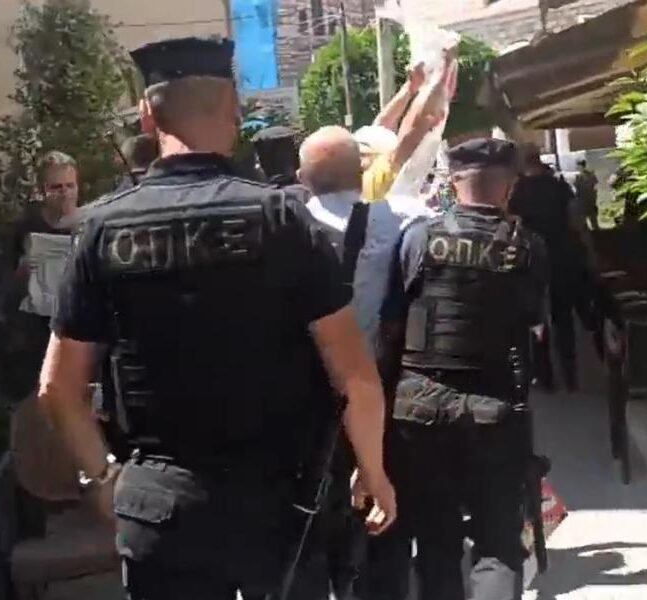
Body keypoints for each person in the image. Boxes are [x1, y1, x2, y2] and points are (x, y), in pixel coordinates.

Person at [36, 37, 396, 600]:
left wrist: (102, 478)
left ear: (147, 115)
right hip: (280, 508)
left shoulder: (102, 231)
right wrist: (372, 471)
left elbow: (58, 390)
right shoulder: (280, 218)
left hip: (160, 507)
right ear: (234, 109)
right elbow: (357, 379)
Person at [368, 138, 549, 600]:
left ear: (452, 182)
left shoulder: (419, 238)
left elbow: (390, 329)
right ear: (510, 187)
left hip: (419, 411)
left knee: (435, 543)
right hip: (494, 411)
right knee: (498, 546)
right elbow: (532, 327)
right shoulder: (527, 247)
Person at [286, 125, 375, 599]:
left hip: (306, 397)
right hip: (380, 390)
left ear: (303, 178)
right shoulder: (402, 222)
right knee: (375, 516)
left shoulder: (283, 230)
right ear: (361, 173)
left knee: (313, 516)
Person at [509, 146, 585, 392]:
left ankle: (544, 376)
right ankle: (570, 373)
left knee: (536, 318)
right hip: (562, 256)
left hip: (531, 260)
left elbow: (511, 225)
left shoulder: (518, 190)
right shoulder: (559, 186)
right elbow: (576, 220)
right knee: (564, 317)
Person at [5, 150, 79, 397]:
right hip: (37, 329)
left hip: (78, 326)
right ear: (42, 190)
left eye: (70, 185)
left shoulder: (88, 224)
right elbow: (7, 283)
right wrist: (23, 270)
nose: (65, 193)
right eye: (56, 187)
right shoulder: (26, 227)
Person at [358, 53, 458, 202]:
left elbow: (381, 125)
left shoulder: (348, 178)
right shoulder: (374, 186)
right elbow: (415, 127)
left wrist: (410, 88)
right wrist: (442, 74)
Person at [573, 159, 599, 231]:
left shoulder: (587, 176)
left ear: (582, 166)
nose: (577, 168)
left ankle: (595, 232)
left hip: (587, 200)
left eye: (578, 166)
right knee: (586, 220)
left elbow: (595, 187)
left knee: (591, 219)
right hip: (584, 200)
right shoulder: (579, 176)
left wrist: (594, 197)